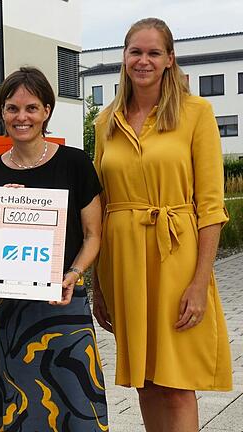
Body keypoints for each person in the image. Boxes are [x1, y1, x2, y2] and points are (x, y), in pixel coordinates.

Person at [92, 17, 232, 431]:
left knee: (176, 382)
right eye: (136, 51)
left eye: (154, 52)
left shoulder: (195, 113)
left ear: (170, 59)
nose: (144, 60)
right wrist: (97, 286)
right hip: (124, 264)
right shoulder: (106, 122)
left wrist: (199, 282)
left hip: (176, 260)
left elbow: (210, 206)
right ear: (124, 57)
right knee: (146, 382)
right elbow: (99, 203)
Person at [0, 67, 108, 431]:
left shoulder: (75, 163)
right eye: (13, 108)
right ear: (2, 112)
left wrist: (74, 274)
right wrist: (0, 212)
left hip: (63, 302)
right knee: (20, 407)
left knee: (76, 404)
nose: (22, 117)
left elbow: (93, 234)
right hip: (10, 312)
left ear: (47, 110)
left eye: (31, 108)